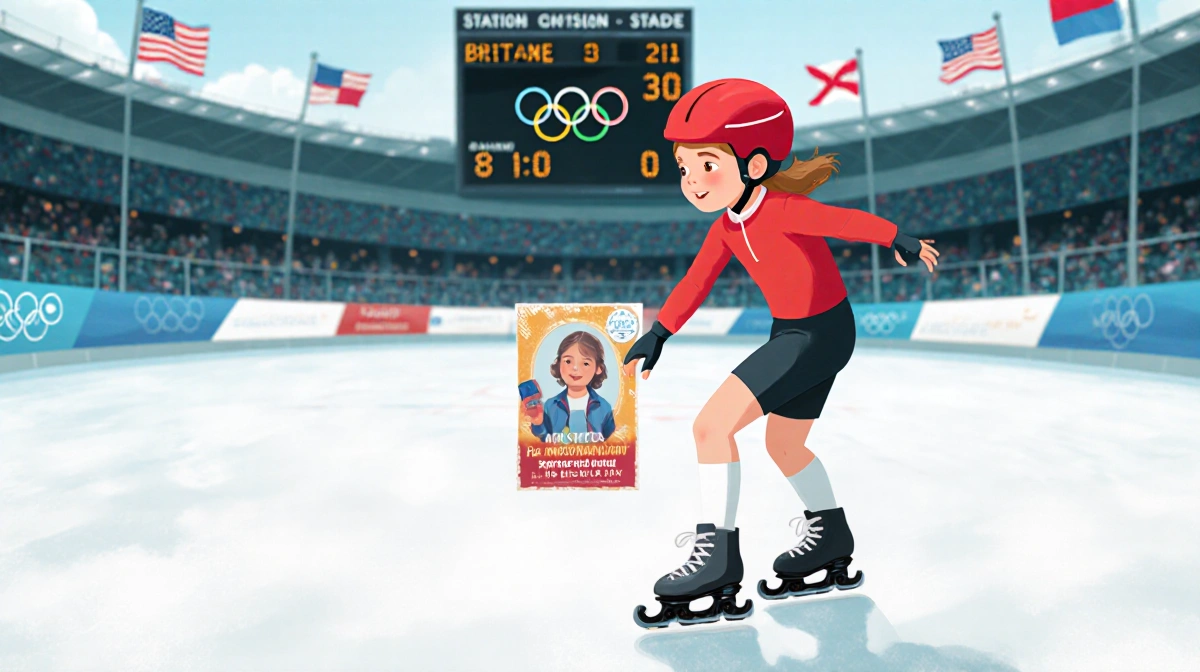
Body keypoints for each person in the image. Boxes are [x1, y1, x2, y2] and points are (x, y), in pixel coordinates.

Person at [626, 78, 939, 628]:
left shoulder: (784, 208)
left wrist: (898, 238)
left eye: (706, 166)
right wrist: (661, 332)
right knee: (785, 444)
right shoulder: (728, 226)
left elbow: (843, 222)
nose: (692, 183)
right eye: (683, 169)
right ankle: (831, 535)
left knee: (711, 427)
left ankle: (718, 559)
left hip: (815, 335)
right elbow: (697, 281)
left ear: (752, 164)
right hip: (800, 331)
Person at [524, 330, 616, 441]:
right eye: (568, 361)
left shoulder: (604, 407)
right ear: (558, 364)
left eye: (585, 363)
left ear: (598, 368)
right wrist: (538, 424)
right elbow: (544, 441)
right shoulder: (550, 406)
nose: (575, 368)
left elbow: (611, 443)